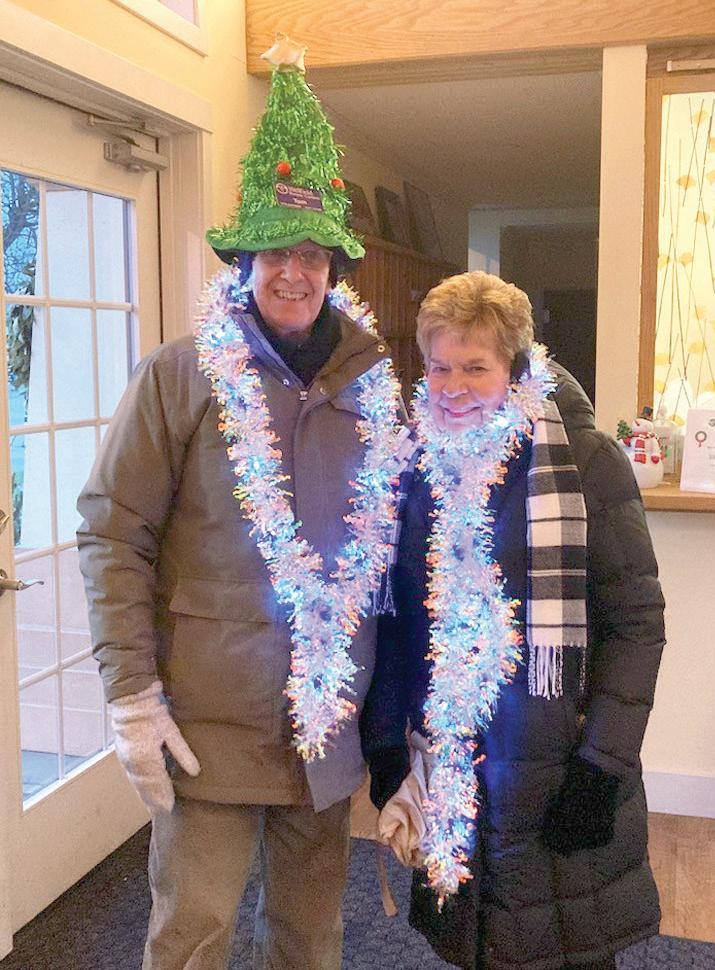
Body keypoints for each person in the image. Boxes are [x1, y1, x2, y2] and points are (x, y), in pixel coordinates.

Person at [77, 35, 405, 970]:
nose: (293, 272)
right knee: (195, 934)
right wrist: (132, 696)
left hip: (327, 725)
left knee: (309, 939)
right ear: (244, 260)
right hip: (206, 727)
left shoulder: (374, 387)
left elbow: (401, 555)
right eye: (273, 252)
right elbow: (113, 534)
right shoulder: (180, 376)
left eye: (312, 254)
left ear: (334, 267)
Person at [361, 271, 665, 970]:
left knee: (567, 945)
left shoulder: (582, 459)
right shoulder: (413, 464)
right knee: (475, 943)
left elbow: (636, 623)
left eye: (475, 367)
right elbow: (398, 623)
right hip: (451, 760)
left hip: (558, 764)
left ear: (516, 367)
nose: (453, 387)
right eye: (439, 367)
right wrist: (385, 748)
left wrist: (602, 765)